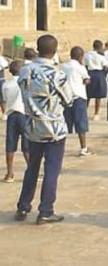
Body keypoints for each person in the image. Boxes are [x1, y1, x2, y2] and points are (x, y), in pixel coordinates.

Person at [14, 35, 74, 225]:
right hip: (54, 128)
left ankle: (23, 206)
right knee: (51, 170)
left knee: (32, 168)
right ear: (55, 51)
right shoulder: (57, 74)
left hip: (32, 126)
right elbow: (69, 99)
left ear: (38, 49)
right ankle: (46, 210)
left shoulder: (25, 71)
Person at [61, 47, 95, 157]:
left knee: (65, 124)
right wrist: (86, 81)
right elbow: (86, 79)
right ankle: (83, 148)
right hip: (78, 97)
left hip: (66, 97)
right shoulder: (80, 67)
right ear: (80, 57)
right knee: (81, 124)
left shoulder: (64, 66)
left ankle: (60, 147)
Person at [3, 61, 29, 183]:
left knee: (10, 146)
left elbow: (5, 99)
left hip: (11, 116)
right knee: (27, 145)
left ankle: (9, 173)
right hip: (23, 115)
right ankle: (31, 170)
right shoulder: (24, 82)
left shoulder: (6, 85)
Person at [84, 40, 108, 120]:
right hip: (99, 74)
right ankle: (96, 113)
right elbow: (106, 66)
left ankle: (85, 111)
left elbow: (86, 65)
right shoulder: (101, 56)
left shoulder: (87, 55)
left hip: (90, 73)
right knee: (98, 95)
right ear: (101, 47)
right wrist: (106, 74)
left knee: (88, 94)